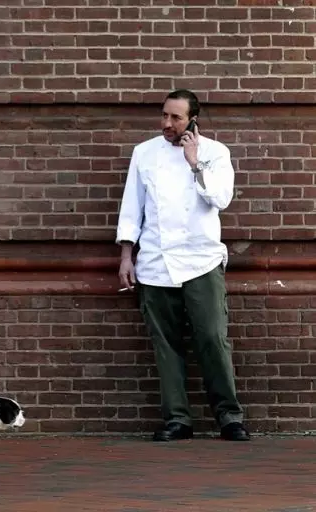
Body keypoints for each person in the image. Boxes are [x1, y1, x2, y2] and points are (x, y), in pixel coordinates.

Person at [115, 89, 250, 442]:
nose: (167, 124)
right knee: (166, 344)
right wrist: (127, 256)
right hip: (156, 261)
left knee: (212, 338)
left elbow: (220, 198)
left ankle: (229, 417)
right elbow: (133, 207)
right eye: (164, 116)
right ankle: (178, 419)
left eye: (175, 118)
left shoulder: (215, 153)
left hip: (201, 260)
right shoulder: (144, 153)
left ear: (193, 119)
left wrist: (195, 161)